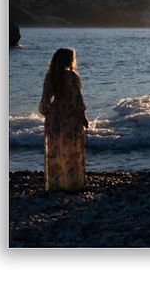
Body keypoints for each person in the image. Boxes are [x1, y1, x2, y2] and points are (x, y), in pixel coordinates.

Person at [37, 47, 89, 192]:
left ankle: (55, 183)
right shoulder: (71, 76)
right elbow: (77, 99)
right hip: (70, 116)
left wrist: (48, 113)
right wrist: (83, 116)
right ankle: (72, 182)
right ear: (69, 60)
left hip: (54, 116)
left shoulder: (50, 76)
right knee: (71, 149)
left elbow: (44, 100)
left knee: (55, 149)